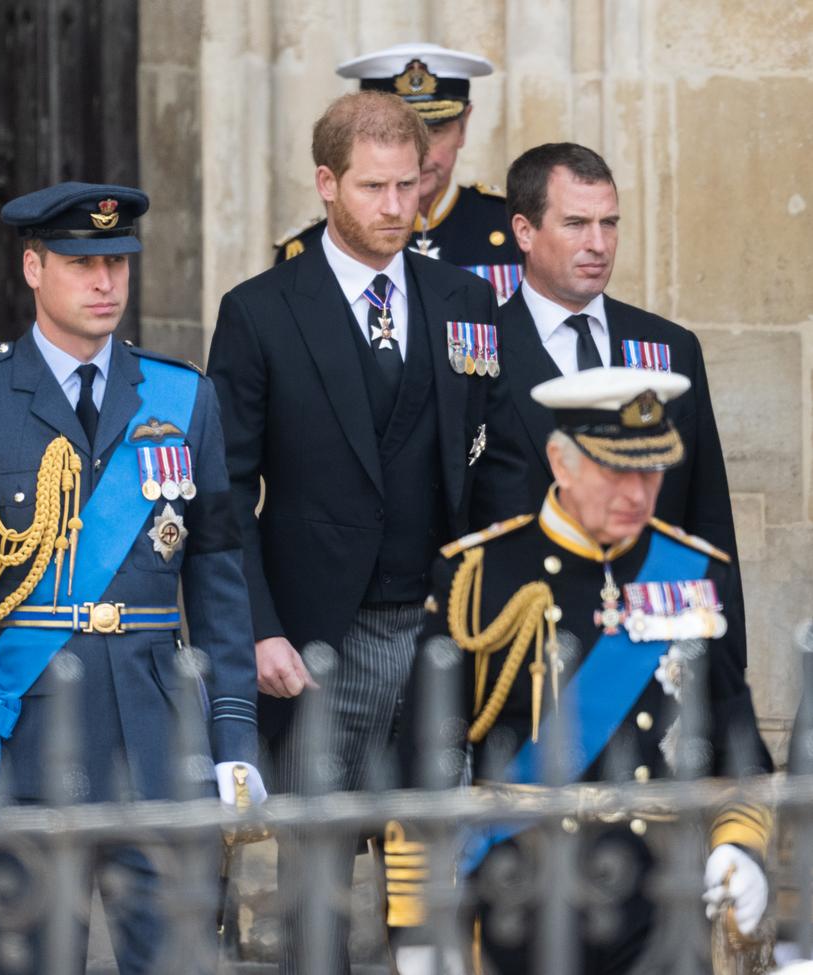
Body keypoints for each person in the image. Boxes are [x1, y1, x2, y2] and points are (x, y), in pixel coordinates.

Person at [0, 181, 264, 974]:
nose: (105, 282)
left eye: (118, 263)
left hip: (160, 743)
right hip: (27, 741)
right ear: (33, 267)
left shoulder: (182, 397)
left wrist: (235, 736)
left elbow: (219, 574)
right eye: (81, 262)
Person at [208, 90, 526, 974]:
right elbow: (226, 491)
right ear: (326, 184)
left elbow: (498, 458)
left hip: (437, 625)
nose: (398, 208)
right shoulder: (261, 310)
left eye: (410, 186)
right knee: (316, 876)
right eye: (375, 188)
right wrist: (258, 628)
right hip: (315, 635)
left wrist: (492, 601)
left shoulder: (464, 298)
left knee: (431, 870)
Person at [389, 367, 773, 975]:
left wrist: (738, 848)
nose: (637, 495)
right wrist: (418, 923)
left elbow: (738, 744)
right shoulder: (480, 575)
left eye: (650, 471)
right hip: (520, 891)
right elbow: (422, 763)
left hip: (664, 899)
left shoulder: (695, 573)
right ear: (561, 463)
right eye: (615, 471)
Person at [477, 141, 747, 667]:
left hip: (651, 643)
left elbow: (707, 516)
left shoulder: (669, 348)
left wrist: (726, 661)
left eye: (610, 223)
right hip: (526, 643)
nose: (598, 244)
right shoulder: (478, 352)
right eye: (576, 224)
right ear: (525, 232)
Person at [274, 42, 524, 306]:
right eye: (392, 139)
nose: (420, 154)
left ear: (463, 128)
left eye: (436, 131)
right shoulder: (308, 248)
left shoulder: (511, 227)